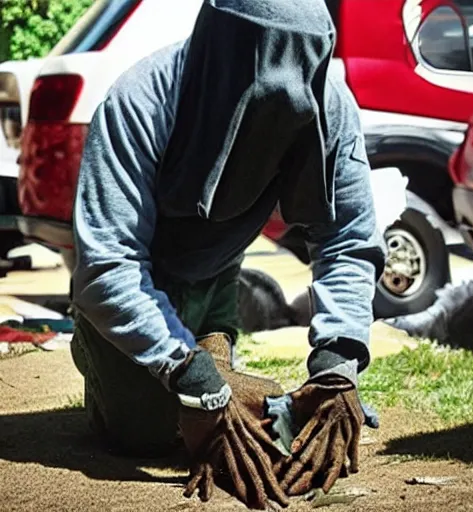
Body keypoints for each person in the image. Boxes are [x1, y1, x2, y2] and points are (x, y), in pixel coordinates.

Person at [70, 0, 386, 508]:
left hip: (216, 271)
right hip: (134, 286)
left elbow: (348, 237)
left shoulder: (331, 102)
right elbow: (107, 264)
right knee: (142, 435)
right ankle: (97, 348)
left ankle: (216, 356)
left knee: (225, 411)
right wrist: (197, 382)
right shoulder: (139, 101)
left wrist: (337, 361)